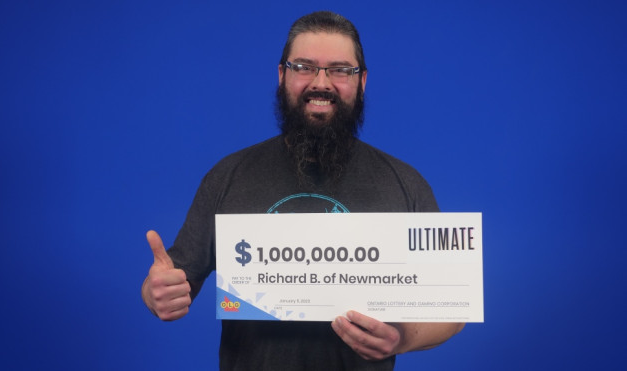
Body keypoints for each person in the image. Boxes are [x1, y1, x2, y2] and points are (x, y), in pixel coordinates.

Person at [142, 10, 464, 370]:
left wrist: (402, 339)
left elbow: (451, 311)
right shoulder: (228, 176)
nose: (321, 82)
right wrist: (156, 294)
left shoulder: (405, 183)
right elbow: (171, 279)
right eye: (304, 67)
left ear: (362, 82)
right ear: (282, 75)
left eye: (340, 69)